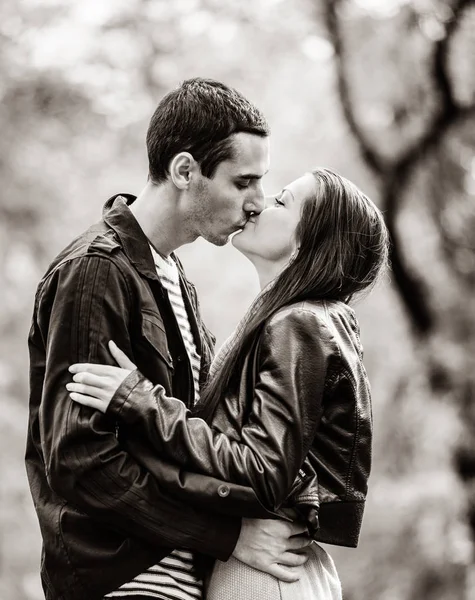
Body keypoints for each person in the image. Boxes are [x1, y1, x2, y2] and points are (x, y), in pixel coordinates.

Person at [26, 78, 313, 600]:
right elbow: (79, 462)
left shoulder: (175, 278)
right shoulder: (96, 271)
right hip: (124, 580)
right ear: (185, 171)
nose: (257, 202)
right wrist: (227, 537)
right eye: (243, 182)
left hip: (187, 577)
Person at [67, 167, 390, 599]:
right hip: (265, 569)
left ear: (307, 243)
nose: (258, 203)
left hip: (265, 576)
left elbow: (261, 472)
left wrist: (141, 401)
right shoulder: (287, 324)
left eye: (282, 202)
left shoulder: (299, 323)